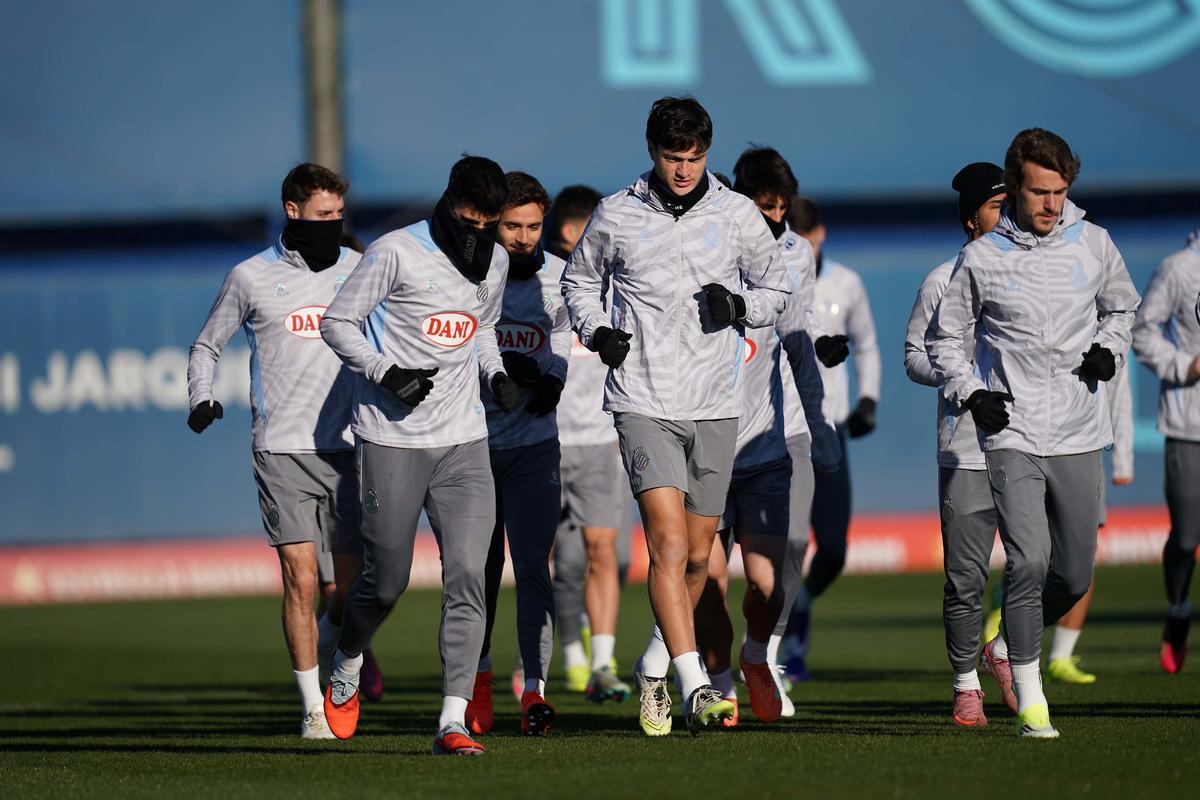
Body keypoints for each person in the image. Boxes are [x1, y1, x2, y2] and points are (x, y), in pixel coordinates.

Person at [561, 96, 790, 735]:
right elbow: (578, 283)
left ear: (707, 153)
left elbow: (777, 290)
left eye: (693, 157)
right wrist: (599, 331)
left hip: (718, 404)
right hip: (642, 397)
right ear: (652, 152)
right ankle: (694, 685)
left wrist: (739, 305)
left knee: (695, 557)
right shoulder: (617, 212)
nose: (684, 169)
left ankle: (654, 665)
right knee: (665, 542)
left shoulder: (738, 214)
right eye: (672, 157)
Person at [927, 128, 1141, 738]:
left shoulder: (1094, 244)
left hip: (1077, 428)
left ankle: (1001, 648)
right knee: (1029, 560)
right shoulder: (983, 257)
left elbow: (1122, 307)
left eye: (1059, 192)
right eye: (1038, 192)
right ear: (1015, 187)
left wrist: (1108, 350)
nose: (1050, 204)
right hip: (1011, 432)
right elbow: (945, 340)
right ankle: (1030, 697)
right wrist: (972, 392)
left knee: (1072, 574)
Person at [319, 155, 516, 756]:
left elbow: (482, 324)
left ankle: (451, 720)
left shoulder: (498, 259)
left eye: (490, 223)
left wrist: (497, 372)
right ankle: (348, 654)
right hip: (392, 438)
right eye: (469, 218)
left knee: (470, 576)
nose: (478, 231)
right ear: (449, 201)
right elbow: (337, 323)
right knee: (385, 583)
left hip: (465, 440)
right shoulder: (395, 252)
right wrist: (386, 372)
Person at [186, 163, 364, 739]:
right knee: (301, 580)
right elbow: (206, 345)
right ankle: (313, 708)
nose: (333, 225)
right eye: (322, 216)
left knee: (352, 585)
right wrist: (201, 397)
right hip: (280, 448)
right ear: (292, 211)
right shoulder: (250, 277)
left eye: (339, 216)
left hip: (349, 446)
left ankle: (338, 647)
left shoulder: (360, 270)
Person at [693, 146, 841, 725]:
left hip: (768, 438)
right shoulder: (707, 247)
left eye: (782, 208)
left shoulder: (795, 257)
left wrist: (819, 423)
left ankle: (761, 656)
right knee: (705, 574)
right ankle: (721, 682)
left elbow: (798, 342)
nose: (776, 219)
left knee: (769, 575)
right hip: (705, 437)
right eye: (765, 208)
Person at [464, 172, 570, 736]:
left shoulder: (558, 276)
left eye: (533, 225)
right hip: (473, 445)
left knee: (533, 567)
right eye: (513, 226)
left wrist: (551, 378)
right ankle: (475, 683)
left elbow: (567, 343)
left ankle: (534, 690)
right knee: (476, 573)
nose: (525, 237)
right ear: (490, 222)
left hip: (534, 445)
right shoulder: (469, 274)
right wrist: (495, 376)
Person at [905, 162, 1006, 726]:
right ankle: (967, 683)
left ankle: (1009, 651)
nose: (1009, 214)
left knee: (1048, 564)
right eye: (997, 206)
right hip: (966, 446)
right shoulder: (942, 280)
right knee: (967, 577)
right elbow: (915, 357)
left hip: (1033, 439)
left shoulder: (1039, 274)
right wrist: (962, 386)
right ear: (971, 220)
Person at [781, 197, 880, 680]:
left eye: (809, 235)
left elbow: (866, 343)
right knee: (784, 544)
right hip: (778, 429)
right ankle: (768, 647)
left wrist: (870, 399)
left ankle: (800, 602)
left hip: (830, 427)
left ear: (820, 234)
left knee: (834, 548)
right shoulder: (771, 275)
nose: (805, 244)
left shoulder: (847, 283)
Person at [546, 184, 634, 701]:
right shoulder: (545, 285)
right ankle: (566, 656)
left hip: (601, 441)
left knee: (605, 553)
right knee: (563, 560)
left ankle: (602, 663)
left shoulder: (619, 288)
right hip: (548, 443)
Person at [1132, 226, 1200, 674]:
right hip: (1189, 424)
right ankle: (1177, 609)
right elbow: (1142, 333)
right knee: (1187, 536)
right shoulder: (1179, 269)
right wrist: (1184, 366)